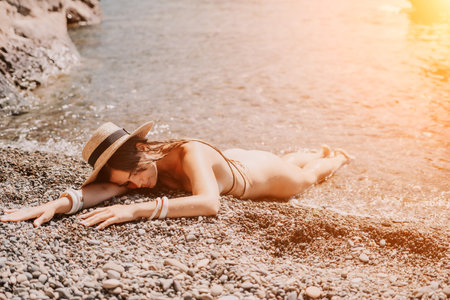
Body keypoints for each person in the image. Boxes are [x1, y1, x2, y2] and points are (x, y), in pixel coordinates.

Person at [1, 121, 353, 229]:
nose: (136, 185)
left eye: (136, 174)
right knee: (293, 162)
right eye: (129, 184)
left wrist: (135, 210)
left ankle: (334, 157)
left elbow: (210, 203)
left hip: (260, 175)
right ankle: (305, 153)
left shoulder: (189, 152)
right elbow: (106, 188)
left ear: (142, 150)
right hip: (229, 162)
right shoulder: (133, 171)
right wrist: (57, 204)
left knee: (305, 179)